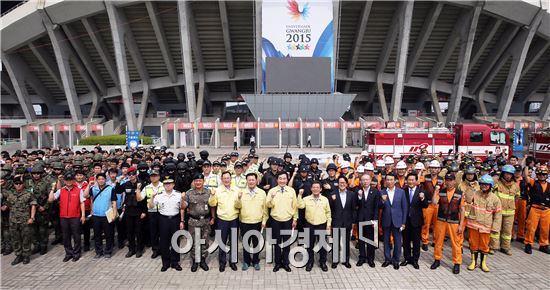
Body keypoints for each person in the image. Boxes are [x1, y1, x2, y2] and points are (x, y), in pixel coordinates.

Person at [465, 175, 502, 272]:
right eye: (482, 184)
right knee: (473, 244)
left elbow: (498, 215)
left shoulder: (495, 199)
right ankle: (473, 262)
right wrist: (470, 187)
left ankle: (483, 263)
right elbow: (468, 200)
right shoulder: (475, 193)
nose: (484, 186)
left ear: (490, 186)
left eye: (486, 185)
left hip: (486, 227)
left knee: (484, 246)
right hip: (474, 225)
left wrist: (495, 228)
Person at [430, 173, 465, 274]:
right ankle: (437, 260)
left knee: (456, 243)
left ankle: (457, 263)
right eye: (447, 180)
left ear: (454, 181)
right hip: (441, 220)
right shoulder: (441, 192)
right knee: (438, 241)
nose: (449, 182)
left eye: (451, 180)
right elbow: (434, 203)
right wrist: (436, 191)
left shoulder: (460, 193)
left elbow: (462, 210)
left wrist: (461, 225)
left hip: (454, 222)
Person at [48, 172, 86, 262]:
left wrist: (83, 215)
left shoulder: (78, 190)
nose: (69, 182)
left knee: (76, 236)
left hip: (75, 217)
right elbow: (50, 200)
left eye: (70, 180)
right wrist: (52, 188)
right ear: (64, 181)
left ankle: (76, 253)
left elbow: (82, 203)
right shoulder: (61, 190)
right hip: (64, 217)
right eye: (67, 180)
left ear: (73, 180)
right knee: (66, 236)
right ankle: (68, 253)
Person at [149, 178, 184, 272]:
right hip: (163, 219)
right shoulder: (159, 196)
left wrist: (182, 221)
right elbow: (151, 206)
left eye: (170, 184)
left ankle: (175, 262)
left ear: (173, 185)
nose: (168, 185)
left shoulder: (178, 194)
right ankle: (165, 263)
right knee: (164, 242)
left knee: (175, 241)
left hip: (175, 219)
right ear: (163, 186)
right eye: (166, 184)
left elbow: (182, 208)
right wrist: (152, 197)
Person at [235, 173, 268, 271]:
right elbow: (237, 207)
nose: (251, 182)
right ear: (246, 181)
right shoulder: (242, 192)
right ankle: (246, 261)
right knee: (246, 243)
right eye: (249, 180)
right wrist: (239, 198)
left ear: (256, 181)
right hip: (245, 221)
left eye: (253, 180)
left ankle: (256, 261)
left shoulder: (262, 193)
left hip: (257, 222)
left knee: (256, 243)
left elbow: (265, 209)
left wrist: (264, 220)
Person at [266, 171, 298, 272]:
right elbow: (268, 205)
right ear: (277, 180)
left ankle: (286, 263)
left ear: (287, 179)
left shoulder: (291, 191)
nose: (282, 180)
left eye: (284, 178)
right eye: (280, 178)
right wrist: (271, 197)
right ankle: (277, 263)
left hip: (288, 220)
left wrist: (295, 219)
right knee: (277, 243)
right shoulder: (272, 191)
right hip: (275, 220)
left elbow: (295, 206)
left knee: (286, 243)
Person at [208, 171, 240, 272]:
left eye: (228, 178)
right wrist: (212, 196)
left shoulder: (237, 190)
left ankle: (233, 262)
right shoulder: (217, 190)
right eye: (224, 178)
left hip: (234, 219)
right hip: (222, 220)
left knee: (234, 241)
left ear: (231, 179)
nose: (226, 180)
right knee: (222, 242)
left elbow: (239, 206)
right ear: (222, 179)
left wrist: (239, 198)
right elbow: (212, 204)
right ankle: (222, 263)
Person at [297, 181, 331, 272]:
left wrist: (328, 224)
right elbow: (300, 206)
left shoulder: (325, 199)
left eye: (317, 187)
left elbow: (328, 213)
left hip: (321, 225)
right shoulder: (306, 199)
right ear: (311, 189)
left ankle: (322, 262)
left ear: (320, 189)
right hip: (309, 225)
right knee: (309, 245)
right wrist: (299, 195)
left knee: (322, 245)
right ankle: (310, 262)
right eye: (314, 187)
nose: (315, 189)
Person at [183, 174, 213, 272]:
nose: (198, 182)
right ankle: (195, 261)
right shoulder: (189, 193)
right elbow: (183, 207)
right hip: (193, 221)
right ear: (194, 182)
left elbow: (212, 206)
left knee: (204, 241)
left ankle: (203, 260)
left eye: (200, 180)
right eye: (196, 181)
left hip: (205, 221)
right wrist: (182, 199)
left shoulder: (208, 192)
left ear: (203, 181)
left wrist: (213, 217)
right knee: (194, 242)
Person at [3, 176, 36, 265]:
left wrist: (32, 217)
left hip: (25, 220)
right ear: (14, 185)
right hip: (13, 221)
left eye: (20, 184)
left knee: (26, 238)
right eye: (16, 184)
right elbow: (7, 205)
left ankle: (26, 255)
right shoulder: (11, 194)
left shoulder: (28, 194)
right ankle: (18, 255)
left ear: (23, 184)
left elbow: (33, 205)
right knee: (15, 239)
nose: (18, 185)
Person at [114, 167, 146, 258]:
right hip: (128, 211)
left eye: (133, 174)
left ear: (136, 174)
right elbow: (117, 190)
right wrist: (118, 181)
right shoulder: (126, 184)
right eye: (129, 174)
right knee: (130, 232)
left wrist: (144, 211)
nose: (131, 176)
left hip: (139, 211)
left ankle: (139, 249)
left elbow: (144, 199)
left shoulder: (141, 184)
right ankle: (131, 249)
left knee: (139, 231)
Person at [84, 173, 117, 259]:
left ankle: (108, 251)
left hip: (107, 215)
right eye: (99, 179)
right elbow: (85, 195)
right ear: (97, 180)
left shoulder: (111, 189)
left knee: (108, 234)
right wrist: (89, 185)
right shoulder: (93, 189)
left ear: (105, 180)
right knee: (97, 234)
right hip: (96, 215)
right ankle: (98, 252)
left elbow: (114, 202)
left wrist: (114, 213)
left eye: (102, 179)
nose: (101, 180)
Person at [380, 173, 408, 270]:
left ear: (395, 181)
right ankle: (387, 259)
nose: (389, 181)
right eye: (387, 179)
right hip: (386, 220)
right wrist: (382, 201)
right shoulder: (382, 192)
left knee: (398, 241)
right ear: (385, 181)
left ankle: (396, 260)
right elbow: (379, 206)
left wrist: (403, 222)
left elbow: (405, 208)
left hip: (398, 221)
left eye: (391, 179)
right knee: (386, 241)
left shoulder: (401, 192)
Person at [490, 165, 519, 255]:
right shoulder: (496, 182)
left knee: (507, 232)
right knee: (495, 230)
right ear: (503, 173)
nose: (508, 176)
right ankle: (493, 247)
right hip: (498, 211)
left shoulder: (515, 185)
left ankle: (505, 247)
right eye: (506, 173)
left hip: (510, 212)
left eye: (510, 174)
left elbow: (517, 197)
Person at [401, 173, 428, 269]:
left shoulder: (422, 191)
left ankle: (415, 260)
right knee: (405, 241)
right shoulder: (403, 191)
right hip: (405, 220)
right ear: (407, 181)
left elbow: (425, 205)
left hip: (416, 220)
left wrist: (422, 198)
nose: (411, 182)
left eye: (413, 180)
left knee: (416, 242)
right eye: (409, 180)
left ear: (416, 181)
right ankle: (407, 258)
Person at [329, 176, 356, 269]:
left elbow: (354, 209)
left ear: (346, 183)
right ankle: (335, 260)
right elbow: (330, 209)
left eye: (343, 182)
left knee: (346, 243)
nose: (342, 184)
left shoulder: (352, 194)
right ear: (338, 184)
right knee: (335, 242)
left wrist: (353, 221)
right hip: (336, 221)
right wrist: (332, 200)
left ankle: (346, 260)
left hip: (347, 222)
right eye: (340, 182)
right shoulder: (333, 194)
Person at [523, 167, 550, 254]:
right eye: (540, 174)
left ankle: (543, 245)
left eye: (543, 174)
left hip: (546, 210)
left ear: (546, 175)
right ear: (537, 175)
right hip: (535, 209)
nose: (542, 176)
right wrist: (526, 165)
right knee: (531, 228)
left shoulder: (549, 185)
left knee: (545, 229)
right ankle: (528, 244)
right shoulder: (533, 182)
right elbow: (526, 176)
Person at [356, 174, 380, 268]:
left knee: (370, 240)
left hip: (371, 219)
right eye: (363, 180)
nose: (365, 182)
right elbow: (355, 205)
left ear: (370, 181)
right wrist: (359, 197)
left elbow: (376, 207)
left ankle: (370, 259)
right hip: (361, 218)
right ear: (360, 181)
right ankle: (362, 257)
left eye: (367, 180)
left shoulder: (375, 191)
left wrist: (375, 220)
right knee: (361, 240)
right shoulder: (358, 191)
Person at [420, 160, 444, 251]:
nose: (434, 170)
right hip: (428, 204)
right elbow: (418, 183)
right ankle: (425, 241)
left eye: (436, 168)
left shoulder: (442, 179)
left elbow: (444, 191)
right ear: (429, 169)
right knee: (426, 223)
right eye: (432, 168)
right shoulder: (425, 177)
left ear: (439, 169)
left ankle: (435, 241)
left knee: (437, 224)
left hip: (437, 205)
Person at [27, 165, 50, 255]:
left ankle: (43, 246)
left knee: (43, 230)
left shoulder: (46, 183)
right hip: (31, 209)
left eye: (38, 173)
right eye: (34, 173)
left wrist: (45, 206)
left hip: (42, 210)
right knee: (33, 230)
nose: (36, 175)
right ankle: (36, 246)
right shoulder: (28, 183)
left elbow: (50, 196)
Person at [142, 170, 164, 259]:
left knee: (163, 232)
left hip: (163, 212)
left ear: (159, 177)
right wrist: (138, 190)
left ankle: (163, 249)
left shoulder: (164, 186)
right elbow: (140, 198)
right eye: (152, 176)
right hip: (152, 212)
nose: (153, 177)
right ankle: (155, 250)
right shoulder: (147, 187)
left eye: (155, 176)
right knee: (153, 232)